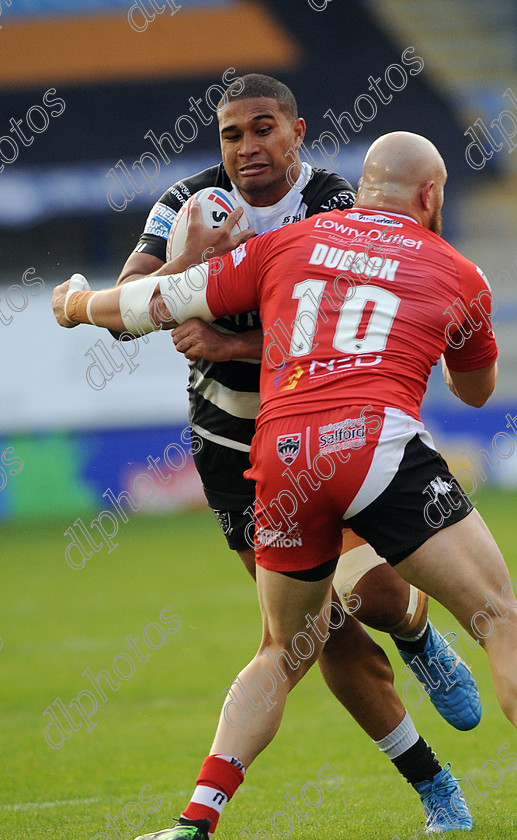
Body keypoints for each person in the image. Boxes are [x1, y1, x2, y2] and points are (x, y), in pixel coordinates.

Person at [52, 130, 517, 840]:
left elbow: (162, 301)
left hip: (284, 456)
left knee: (282, 646)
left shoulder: (287, 243)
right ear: (431, 196)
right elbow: (475, 390)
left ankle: (194, 821)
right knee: (498, 619)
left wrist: (78, 305)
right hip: (374, 443)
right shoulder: (456, 269)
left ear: (361, 189)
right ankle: (428, 662)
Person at [116, 73, 481, 735]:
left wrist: (232, 346)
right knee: (314, 633)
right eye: (232, 134)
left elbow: (333, 327)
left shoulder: (332, 202)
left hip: (326, 423)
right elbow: (127, 308)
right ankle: (434, 788)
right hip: (230, 442)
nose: (248, 146)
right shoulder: (186, 202)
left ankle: (418, 636)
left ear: (295, 134)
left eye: (264, 129)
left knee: (376, 597)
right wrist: (192, 261)